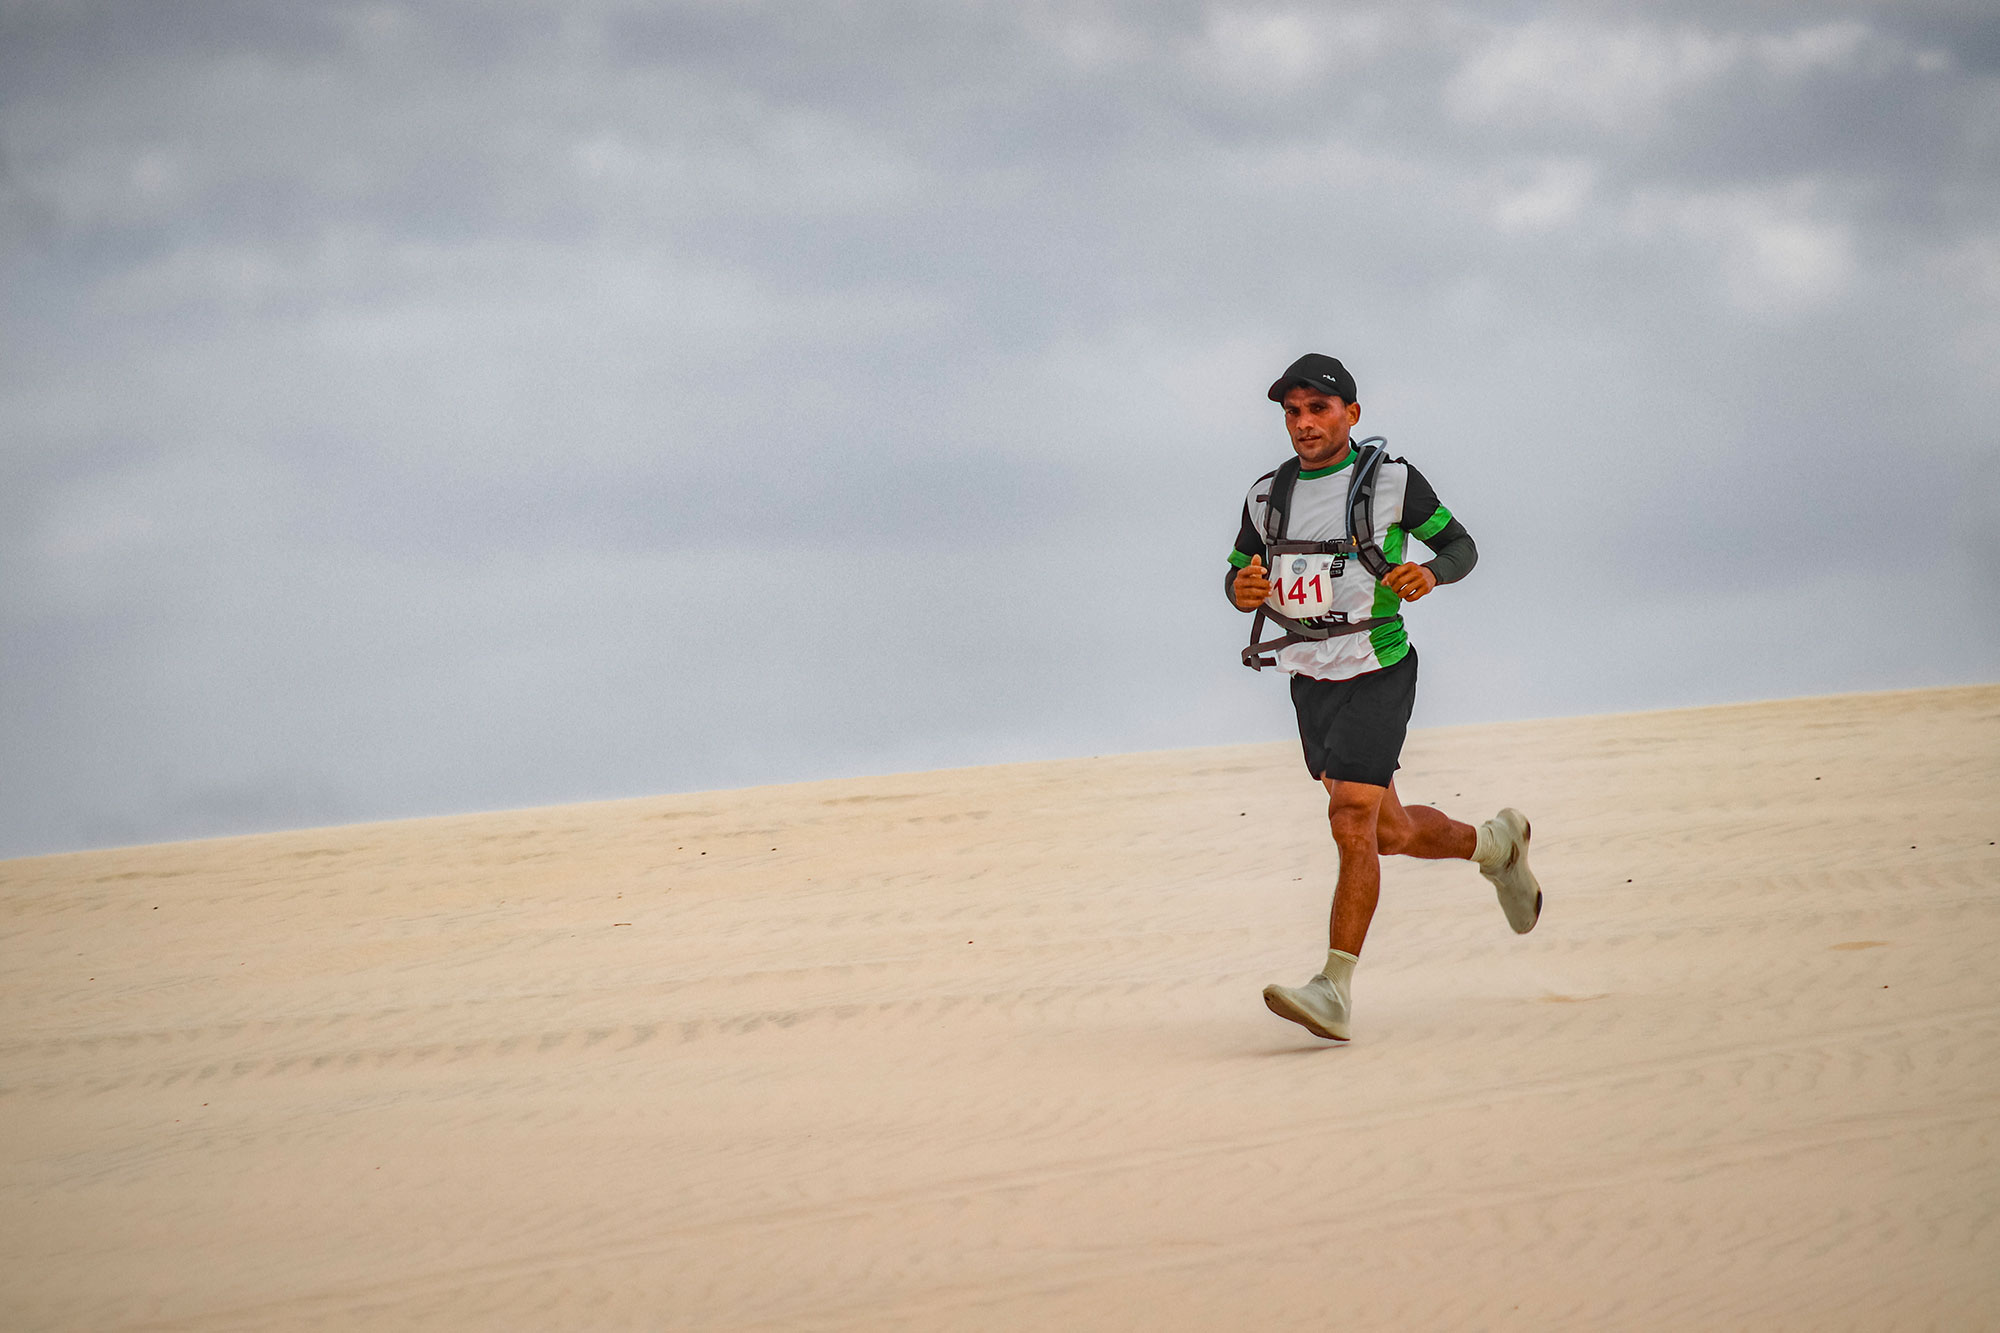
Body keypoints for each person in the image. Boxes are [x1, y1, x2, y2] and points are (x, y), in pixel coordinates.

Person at [1225, 353, 1542, 1042]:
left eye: (1318, 409)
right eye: (1292, 411)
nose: (1304, 423)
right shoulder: (1265, 495)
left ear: (1351, 415)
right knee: (1388, 832)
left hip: (1378, 665)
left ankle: (1333, 987)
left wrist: (1431, 575)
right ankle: (1495, 846)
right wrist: (1243, 589)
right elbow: (1239, 570)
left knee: (1350, 818)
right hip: (1309, 678)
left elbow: (1460, 546)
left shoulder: (1391, 482)